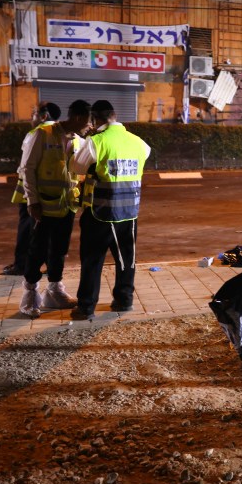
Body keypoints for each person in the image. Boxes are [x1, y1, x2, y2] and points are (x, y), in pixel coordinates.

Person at [69, 100, 151, 321]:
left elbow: (76, 167)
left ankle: (86, 307)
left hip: (101, 214)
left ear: (95, 120)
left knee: (92, 261)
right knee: (126, 259)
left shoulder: (97, 142)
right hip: (129, 214)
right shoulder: (138, 142)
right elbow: (146, 154)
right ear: (114, 116)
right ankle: (124, 300)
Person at [18, 100, 92, 318]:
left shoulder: (79, 140)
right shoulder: (43, 134)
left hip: (67, 206)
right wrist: (32, 201)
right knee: (37, 250)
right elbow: (27, 168)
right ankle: (30, 295)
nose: (90, 125)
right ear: (78, 117)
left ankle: (54, 291)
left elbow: (79, 172)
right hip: (43, 206)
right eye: (88, 121)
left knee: (59, 250)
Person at [4, 102, 62, 276]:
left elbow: (26, 167)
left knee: (27, 230)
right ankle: (51, 265)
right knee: (51, 232)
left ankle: (22, 264)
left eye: (34, 113)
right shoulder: (65, 134)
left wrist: (31, 198)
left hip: (31, 193)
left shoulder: (35, 134)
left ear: (43, 116)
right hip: (56, 194)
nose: (31, 117)